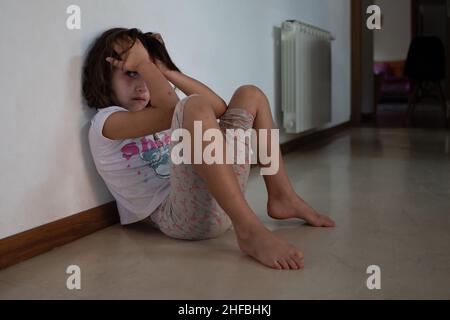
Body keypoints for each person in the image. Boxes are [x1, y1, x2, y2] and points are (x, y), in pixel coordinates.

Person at [83, 28, 335, 270]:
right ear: (104, 75)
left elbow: (219, 107)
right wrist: (146, 65)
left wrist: (165, 70)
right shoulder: (106, 122)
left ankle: (282, 196)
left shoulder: (156, 109)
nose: (143, 85)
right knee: (191, 106)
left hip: (217, 200)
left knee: (251, 94)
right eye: (131, 72)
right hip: (180, 218)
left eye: (146, 74)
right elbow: (176, 109)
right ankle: (249, 230)